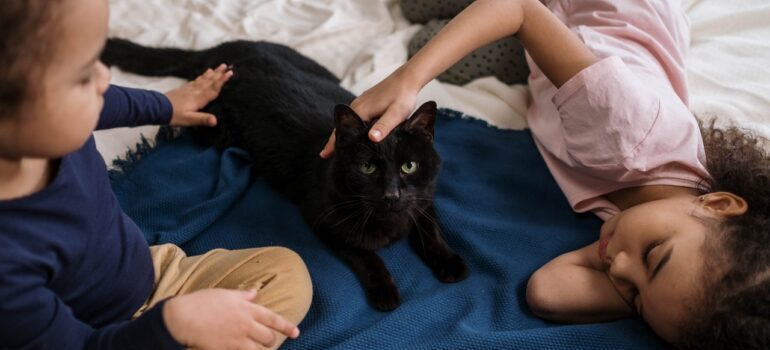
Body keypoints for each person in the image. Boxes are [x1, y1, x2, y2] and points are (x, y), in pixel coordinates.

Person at [319, 0, 770, 347]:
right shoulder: (627, 126)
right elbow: (517, 8)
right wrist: (408, 81)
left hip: (571, 50)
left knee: (437, 37)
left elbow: (548, 292)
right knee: (419, 20)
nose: (616, 263)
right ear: (719, 204)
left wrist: (652, 292)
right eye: (653, 255)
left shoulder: (667, 221)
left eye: (631, 293)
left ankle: (543, 50)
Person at [0, 0, 312, 349]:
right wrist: (172, 326)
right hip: (98, 336)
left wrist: (166, 106)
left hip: (151, 271)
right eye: (84, 73)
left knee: (287, 274)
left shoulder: (50, 127)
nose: (105, 78)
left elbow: (105, 103)